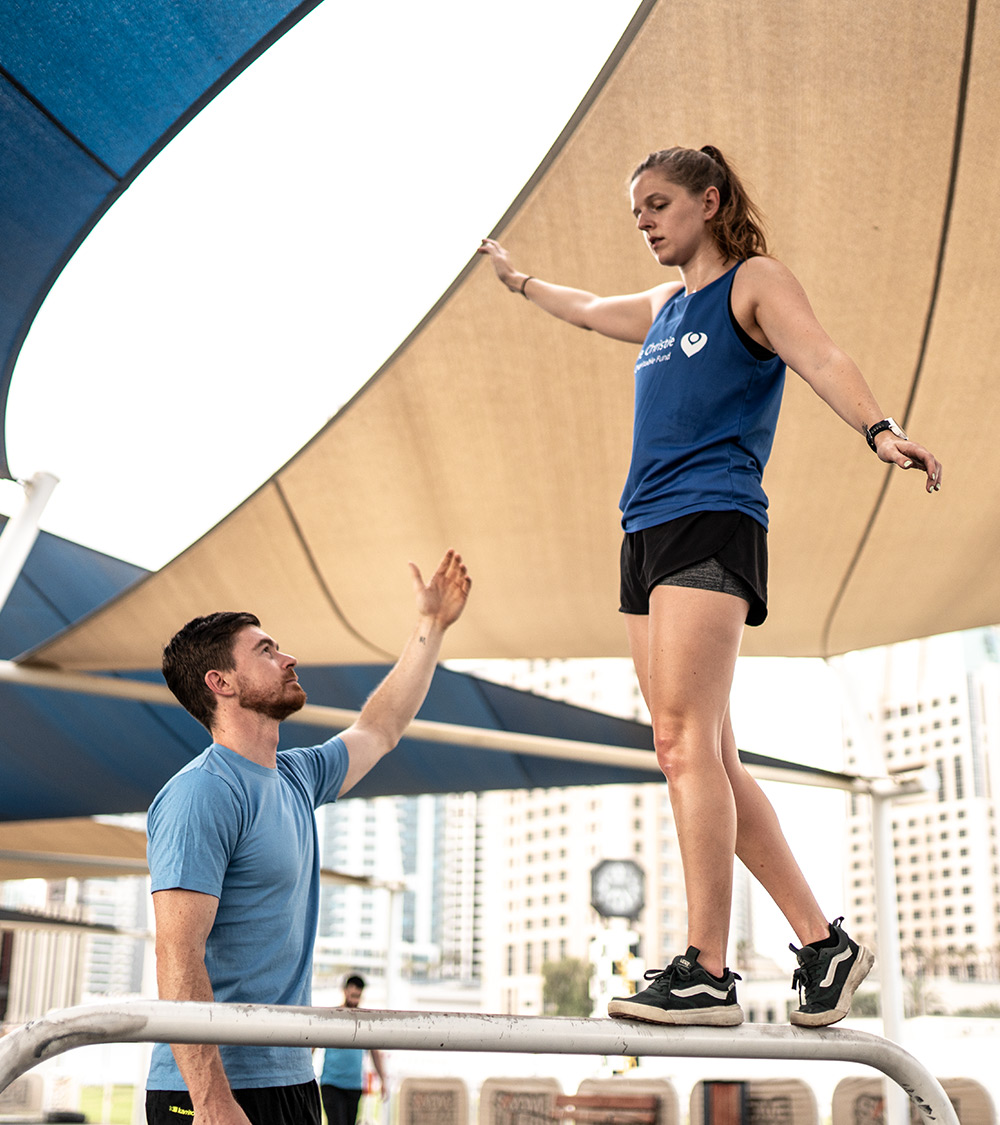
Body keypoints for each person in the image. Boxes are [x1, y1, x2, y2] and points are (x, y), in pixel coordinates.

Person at [478, 145, 942, 1029]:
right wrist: (520, 280)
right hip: (643, 533)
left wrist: (881, 428)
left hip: (712, 515)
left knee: (686, 746)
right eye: (636, 211)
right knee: (700, 752)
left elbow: (820, 354)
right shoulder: (662, 306)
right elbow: (586, 310)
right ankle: (821, 944)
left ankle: (707, 970)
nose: (645, 221)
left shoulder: (752, 283)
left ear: (709, 201)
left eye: (657, 204)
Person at [145, 550, 471, 1125]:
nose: (288, 657)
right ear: (220, 682)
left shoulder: (297, 777)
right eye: (265, 651)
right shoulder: (202, 793)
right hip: (215, 1090)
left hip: (293, 1076)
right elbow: (177, 953)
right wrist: (212, 1102)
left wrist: (432, 625)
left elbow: (381, 726)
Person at [318, 975, 387, 1125]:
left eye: (358, 996)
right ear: (344, 991)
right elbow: (313, 1045)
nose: (355, 1000)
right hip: (331, 1083)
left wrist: (383, 1079)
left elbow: (374, 1052)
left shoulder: (365, 1020)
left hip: (354, 1084)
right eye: (352, 995)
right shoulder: (331, 1016)